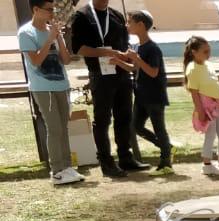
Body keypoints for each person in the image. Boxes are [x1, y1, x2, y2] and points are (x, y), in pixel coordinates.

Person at [71, 0, 147, 177]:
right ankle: (106, 162)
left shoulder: (116, 15)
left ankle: (126, 157)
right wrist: (109, 53)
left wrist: (128, 56)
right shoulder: (82, 16)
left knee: (124, 116)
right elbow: (79, 48)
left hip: (121, 73)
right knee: (103, 119)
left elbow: (124, 43)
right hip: (100, 74)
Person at [19, 0, 82, 185]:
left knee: (63, 127)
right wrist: (49, 39)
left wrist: (59, 37)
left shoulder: (51, 30)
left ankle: (67, 167)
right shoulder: (26, 33)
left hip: (61, 85)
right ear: (36, 10)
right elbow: (36, 61)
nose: (52, 14)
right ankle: (56, 171)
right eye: (48, 10)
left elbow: (66, 60)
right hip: (42, 87)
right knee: (54, 128)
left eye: (53, 10)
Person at [126, 11, 171, 173]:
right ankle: (166, 147)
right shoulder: (138, 47)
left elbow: (153, 72)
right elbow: (134, 68)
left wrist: (137, 58)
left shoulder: (153, 49)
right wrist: (117, 61)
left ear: (141, 25)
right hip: (141, 95)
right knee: (136, 126)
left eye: (130, 22)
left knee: (159, 128)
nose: (127, 25)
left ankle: (166, 163)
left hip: (154, 96)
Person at [183, 37, 219, 175]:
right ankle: (207, 164)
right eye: (205, 51)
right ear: (194, 52)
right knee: (210, 135)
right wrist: (201, 112)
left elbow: (215, 84)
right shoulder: (192, 69)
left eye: (209, 51)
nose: (208, 54)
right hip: (206, 107)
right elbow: (194, 93)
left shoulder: (209, 65)